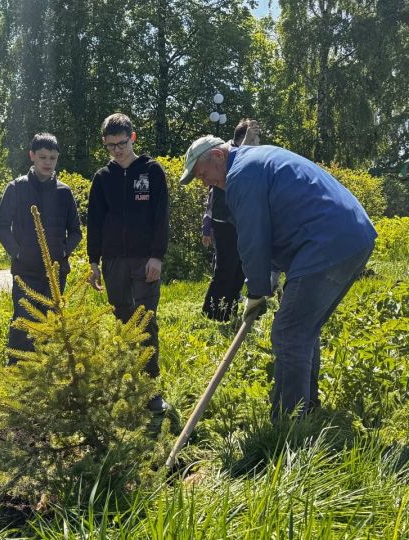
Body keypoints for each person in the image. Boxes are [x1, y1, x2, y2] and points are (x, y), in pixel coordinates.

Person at [180, 135, 376, 421]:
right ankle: (306, 411)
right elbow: (274, 228)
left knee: (289, 331)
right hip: (350, 236)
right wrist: (267, 279)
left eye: (202, 173)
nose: (204, 182)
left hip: (328, 241)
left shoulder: (241, 176)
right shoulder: (254, 161)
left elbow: (253, 238)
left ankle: (287, 424)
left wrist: (256, 292)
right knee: (302, 328)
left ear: (219, 157)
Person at [87, 113, 169, 413]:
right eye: (110, 146)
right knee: (122, 320)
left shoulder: (152, 171)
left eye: (121, 144)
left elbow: (161, 217)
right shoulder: (103, 178)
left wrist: (157, 256)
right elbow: (94, 221)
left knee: (146, 321)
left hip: (145, 260)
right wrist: (93, 261)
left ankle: (151, 389)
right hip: (113, 262)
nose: (117, 151)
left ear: (132, 138)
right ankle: (127, 384)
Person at [0, 133, 82, 364]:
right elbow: (1, 227)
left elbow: (76, 231)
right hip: (25, 273)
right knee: (22, 323)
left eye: (52, 158)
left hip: (56, 274)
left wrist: (63, 251)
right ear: (32, 156)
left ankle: (47, 373)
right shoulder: (16, 188)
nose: (47, 163)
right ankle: (15, 373)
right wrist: (19, 252)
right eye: (42, 157)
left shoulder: (64, 192)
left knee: (51, 324)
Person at [200, 119, 261, 321]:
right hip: (223, 220)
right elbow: (211, 196)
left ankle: (229, 312)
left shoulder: (249, 156)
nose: (258, 142)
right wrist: (206, 227)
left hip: (240, 220)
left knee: (239, 268)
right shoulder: (224, 156)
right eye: (255, 137)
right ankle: (212, 313)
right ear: (243, 137)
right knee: (225, 267)